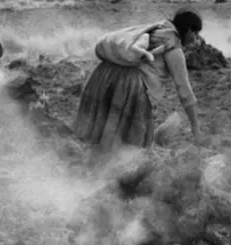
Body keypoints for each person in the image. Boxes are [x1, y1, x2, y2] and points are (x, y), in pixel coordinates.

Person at [73, 9, 206, 155]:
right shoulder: (173, 48)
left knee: (95, 136)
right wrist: (195, 128)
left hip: (105, 74)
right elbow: (184, 91)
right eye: (195, 34)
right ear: (187, 30)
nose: (196, 39)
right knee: (131, 145)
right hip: (128, 85)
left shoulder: (156, 30)